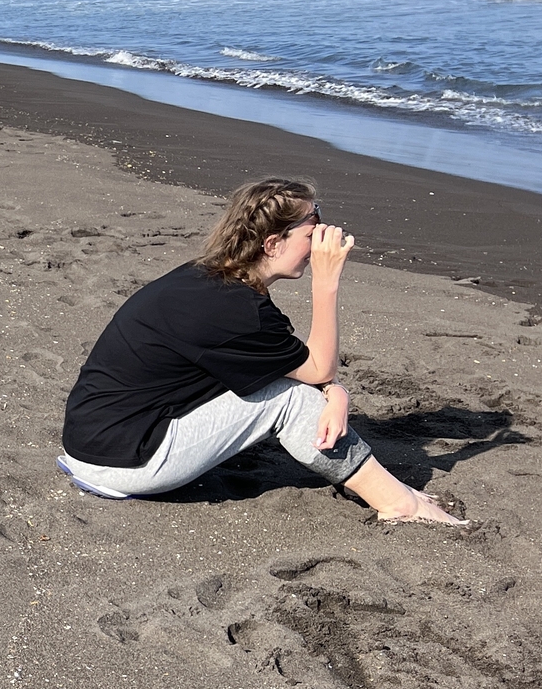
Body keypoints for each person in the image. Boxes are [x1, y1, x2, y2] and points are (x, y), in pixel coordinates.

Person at [57, 178, 465, 526]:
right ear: (272, 243)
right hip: (126, 461)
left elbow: (292, 367)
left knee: (294, 389)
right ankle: (398, 503)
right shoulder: (237, 309)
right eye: (312, 232)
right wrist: (326, 281)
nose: (321, 243)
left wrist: (336, 391)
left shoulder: (209, 281)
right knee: (290, 402)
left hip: (97, 440)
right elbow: (317, 369)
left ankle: (387, 489)